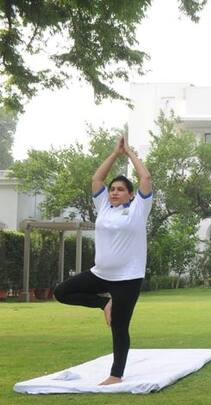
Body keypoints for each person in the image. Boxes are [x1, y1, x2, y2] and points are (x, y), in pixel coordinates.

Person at [53, 136, 153, 385]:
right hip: (100, 274)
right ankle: (103, 304)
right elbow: (96, 179)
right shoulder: (104, 207)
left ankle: (115, 375)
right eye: (112, 189)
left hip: (128, 279)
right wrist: (113, 153)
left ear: (131, 195)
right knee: (61, 292)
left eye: (120, 189)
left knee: (119, 327)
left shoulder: (139, 209)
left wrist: (129, 152)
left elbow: (146, 179)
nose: (115, 192)